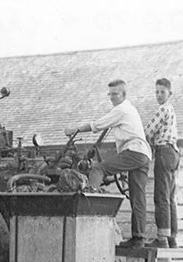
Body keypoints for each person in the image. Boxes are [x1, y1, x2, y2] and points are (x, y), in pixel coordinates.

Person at [64, 79, 152, 248]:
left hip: (134, 151)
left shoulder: (122, 109)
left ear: (123, 94)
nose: (111, 97)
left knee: (98, 169)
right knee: (137, 197)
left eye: (115, 94)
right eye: (110, 94)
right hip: (143, 155)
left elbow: (97, 125)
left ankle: (87, 212)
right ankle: (139, 238)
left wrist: (73, 130)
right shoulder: (129, 109)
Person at [145, 78, 180, 248]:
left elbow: (148, 130)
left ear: (169, 93)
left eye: (162, 92)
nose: (159, 95)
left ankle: (162, 238)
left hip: (164, 152)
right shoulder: (171, 110)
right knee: (170, 197)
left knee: (161, 196)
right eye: (157, 92)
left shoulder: (163, 109)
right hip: (174, 153)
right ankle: (172, 237)